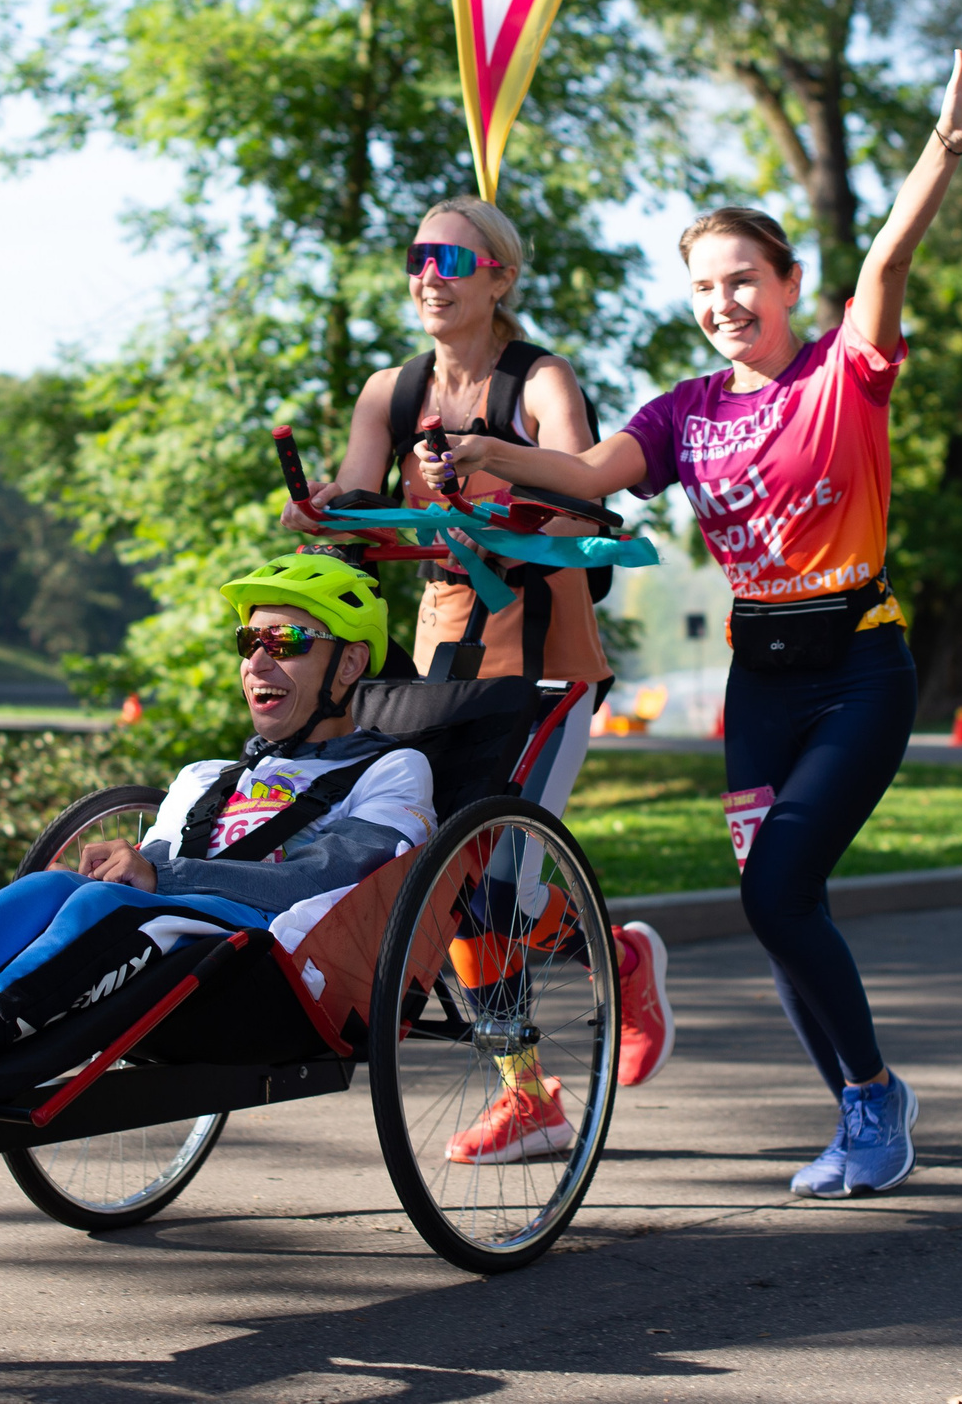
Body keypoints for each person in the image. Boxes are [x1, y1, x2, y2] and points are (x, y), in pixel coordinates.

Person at [420, 42, 962, 1198]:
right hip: (761, 682)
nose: (723, 304)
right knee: (779, 909)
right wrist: (483, 452)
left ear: (791, 282)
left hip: (858, 667)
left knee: (773, 889)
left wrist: (946, 139)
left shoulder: (845, 371)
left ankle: (871, 1104)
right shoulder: (685, 413)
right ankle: (867, 1107)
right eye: (703, 287)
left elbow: (891, 253)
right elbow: (587, 472)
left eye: (742, 279)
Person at [0, 554, 434, 1134]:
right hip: (174, 937)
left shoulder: (392, 771)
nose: (258, 658)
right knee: (57, 888)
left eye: (284, 640)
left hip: (276, 972)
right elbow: (150, 869)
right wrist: (135, 869)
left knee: (111, 909)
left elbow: (334, 877)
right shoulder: (206, 778)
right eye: (247, 641)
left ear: (348, 663)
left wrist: (160, 876)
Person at [277, 192, 674, 1153]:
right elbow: (362, 521)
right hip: (439, 662)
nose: (428, 277)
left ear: (499, 279)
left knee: (490, 881)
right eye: (418, 257)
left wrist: (516, 498)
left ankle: (569, 1025)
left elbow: (584, 495)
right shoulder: (391, 390)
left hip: (548, 664)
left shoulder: (539, 382)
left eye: (451, 261)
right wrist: (325, 513)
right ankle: (573, 1022)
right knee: (450, 875)